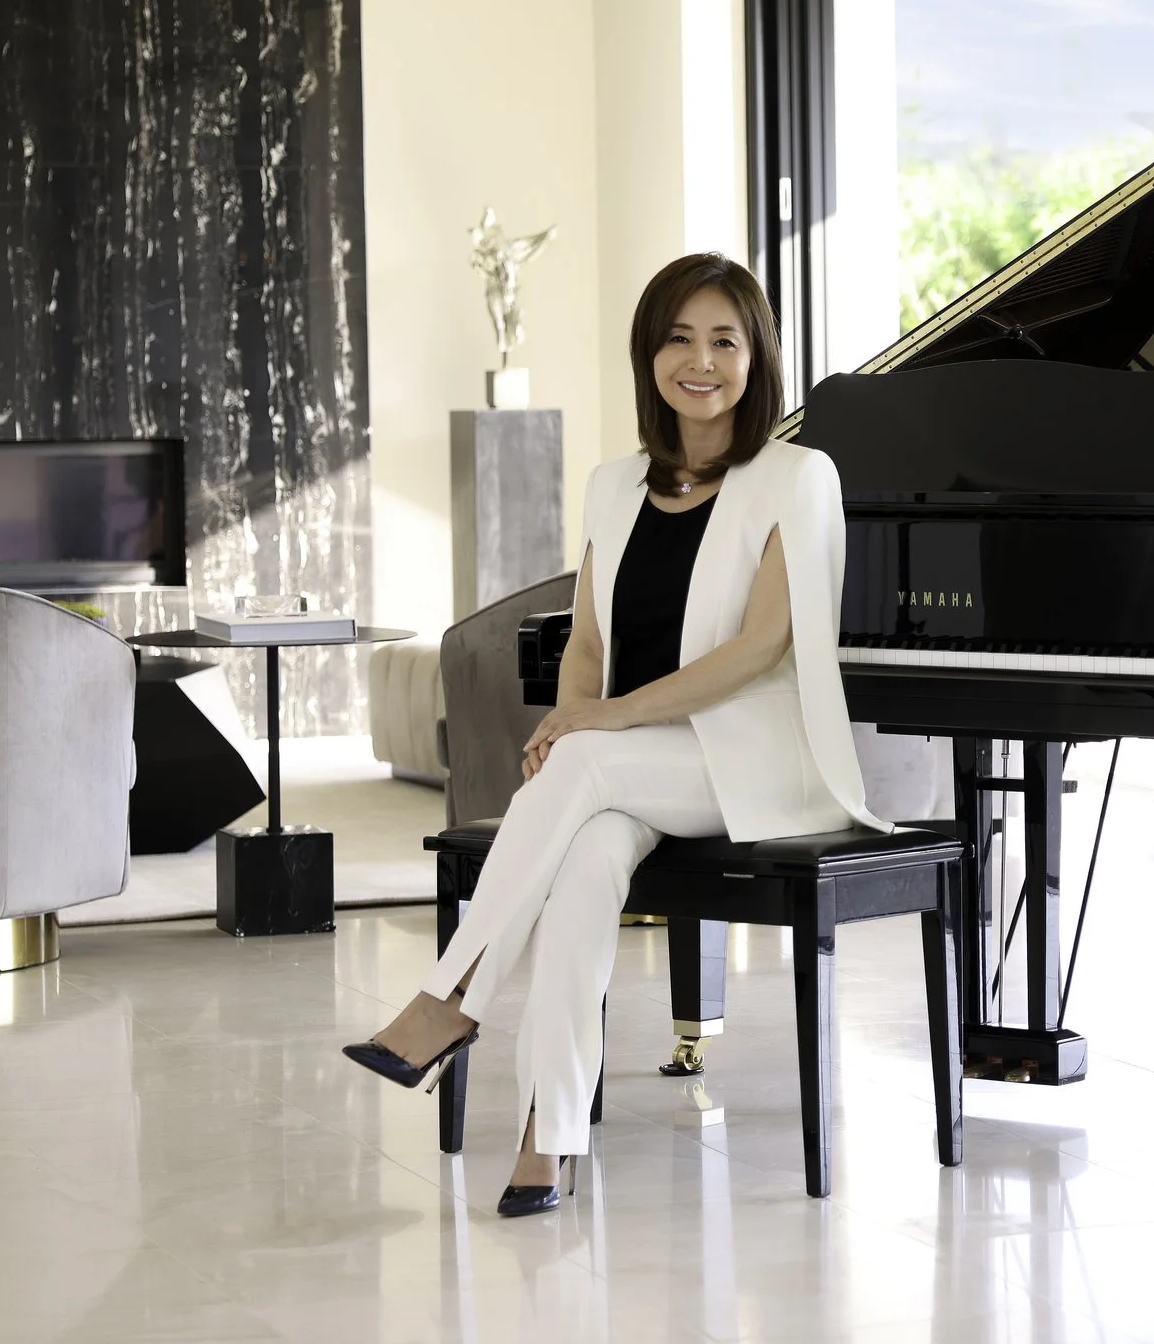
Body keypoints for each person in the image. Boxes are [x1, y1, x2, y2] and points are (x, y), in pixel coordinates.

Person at [340, 252, 889, 1218]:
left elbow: (762, 650)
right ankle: (547, 1136)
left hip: (757, 765)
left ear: (757, 356)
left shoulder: (798, 477)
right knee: (588, 860)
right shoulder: (615, 482)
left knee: (586, 760)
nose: (701, 360)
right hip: (634, 766)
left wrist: (593, 725)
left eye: (725, 339)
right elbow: (589, 640)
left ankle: (449, 1001)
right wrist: (570, 714)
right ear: (649, 355)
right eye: (679, 337)